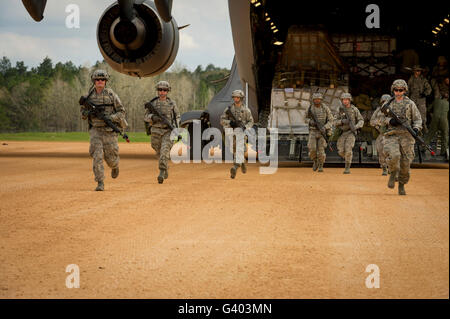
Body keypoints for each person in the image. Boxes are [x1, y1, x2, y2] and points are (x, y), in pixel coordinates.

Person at [80, 69, 127, 191]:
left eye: (102, 79)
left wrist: (110, 118)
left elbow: (121, 112)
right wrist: (88, 112)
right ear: (94, 81)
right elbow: (83, 114)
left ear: (106, 81)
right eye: (97, 80)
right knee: (97, 156)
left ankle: (115, 166)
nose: (100, 81)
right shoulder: (88, 97)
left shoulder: (112, 95)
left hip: (109, 132)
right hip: (96, 130)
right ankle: (100, 182)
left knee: (111, 158)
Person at [382, 79, 422, 195]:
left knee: (406, 164)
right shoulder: (388, 104)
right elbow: (381, 119)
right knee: (394, 156)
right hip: (392, 135)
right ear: (393, 90)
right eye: (396, 90)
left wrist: (416, 128)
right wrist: (390, 120)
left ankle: (401, 184)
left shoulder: (410, 104)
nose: (398, 92)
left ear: (405, 90)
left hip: (407, 136)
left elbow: (418, 119)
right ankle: (393, 172)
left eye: (401, 90)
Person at [144, 81, 180, 184]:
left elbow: (177, 117)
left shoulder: (172, 104)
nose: (162, 92)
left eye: (164, 90)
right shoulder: (153, 103)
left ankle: (161, 172)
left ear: (168, 91)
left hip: (168, 132)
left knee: (164, 152)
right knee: (159, 151)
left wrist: (176, 128)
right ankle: (165, 167)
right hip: (155, 131)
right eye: (160, 90)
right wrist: (153, 117)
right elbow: (145, 117)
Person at [220, 89, 254, 179]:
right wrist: (230, 123)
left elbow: (251, 122)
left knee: (239, 148)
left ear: (241, 98)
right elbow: (222, 120)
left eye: (237, 97)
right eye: (234, 97)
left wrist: (245, 127)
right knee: (234, 149)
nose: (236, 99)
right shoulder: (229, 109)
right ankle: (242, 162)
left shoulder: (246, 110)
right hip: (231, 131)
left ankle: (235, 166)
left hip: (241, 132)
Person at [335, 92, 364, 174]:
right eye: (343, 100)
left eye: (347, 99)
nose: (345, 101)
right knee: (340, 150)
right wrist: (341, 121)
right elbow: (334, 121)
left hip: (351, 132)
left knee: (348, 149)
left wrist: (356, 126)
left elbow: (361, 120)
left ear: (350, 100)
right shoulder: (339, 109)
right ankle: (348, 158)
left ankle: (347, 167)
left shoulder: (354, 109)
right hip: (342, 132)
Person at [306, 92, 334, 172]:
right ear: (313, 100)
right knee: (312, 149)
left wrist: (325, 127)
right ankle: (315, 161)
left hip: (322, 132)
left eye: (319, 99)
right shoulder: (310, 108)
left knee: (321, 151)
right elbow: (305, 118)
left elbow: (331, 120)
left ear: (321, 100)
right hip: (313, 131)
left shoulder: (325, 108)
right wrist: (310, 122)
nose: (317, 101)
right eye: (315, 99)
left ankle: (321, 164)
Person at [426, 75, 449, 158]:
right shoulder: (448, 104)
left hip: (435, 119)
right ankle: (444, 151)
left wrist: (433, 114)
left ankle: (424, 148)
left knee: (430, 134)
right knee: (445, 135)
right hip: (444, 120)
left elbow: (428, 109)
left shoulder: (436, 101)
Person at [370, 94, 392, 175]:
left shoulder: (393, 110)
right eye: (383, 101)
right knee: (380, 151)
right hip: (381, 134)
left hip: (390, 135)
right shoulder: (378, 110)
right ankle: (384, 168)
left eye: (387, 101)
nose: (385, 103)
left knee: (390, 153)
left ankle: (390, 168)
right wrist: (378, 123)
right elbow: (372, 121)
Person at [407, 65, 432, 132]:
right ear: (414, 71)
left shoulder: (423, 79)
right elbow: (407, 89)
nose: (418, 72)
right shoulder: (411, 79)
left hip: (421, 99)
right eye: (417, 71)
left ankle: (424, 128)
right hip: (412, 98)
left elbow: (429, 88)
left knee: (422, 114)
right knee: (411, 114)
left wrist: (425, 94)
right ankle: (413, 129)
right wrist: (406, 97)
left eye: (419, 71)